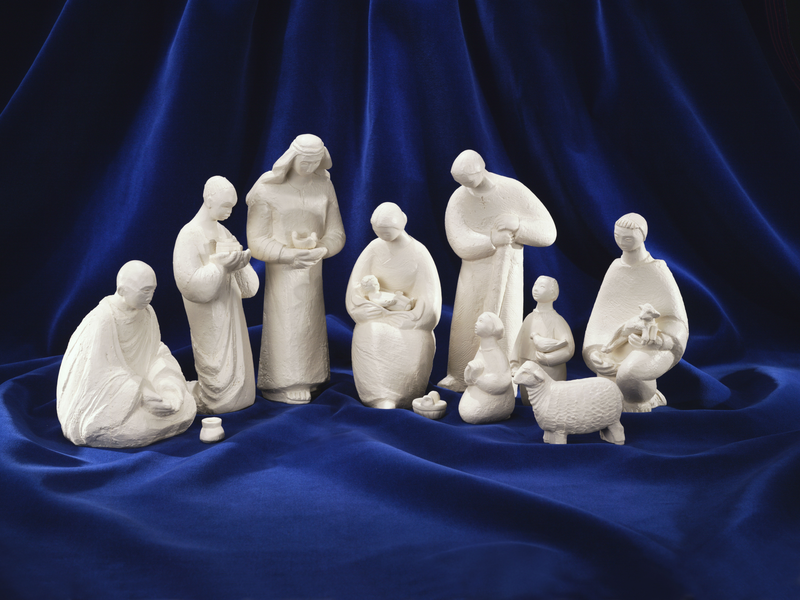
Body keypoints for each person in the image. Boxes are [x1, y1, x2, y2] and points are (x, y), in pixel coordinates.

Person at [438, 150, 557, 392]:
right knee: (466, 321)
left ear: (481, 168)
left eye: (469, 181)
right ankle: (460, 375)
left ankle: (503, 379)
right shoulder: (459, 198)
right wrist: (491, 241)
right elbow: (458, 239)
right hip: (473, 273)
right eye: (461, 183)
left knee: (504, 322)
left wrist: (519, 226)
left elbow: (548, 232)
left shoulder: (512, 190)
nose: (466, 188)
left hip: (507, 272)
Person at [246, 134, 346, 404]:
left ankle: (313, 375)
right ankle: (284, 381)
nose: (311, 166)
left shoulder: (324, 186)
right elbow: (256, 240)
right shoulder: (267, 188)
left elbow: (336, 232)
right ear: (291, 157)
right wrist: (287, 255)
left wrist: (322, 249)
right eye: (305, 160)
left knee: (310, 321)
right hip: (283, 273)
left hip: (312, 269)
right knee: (287, 322)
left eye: (316, 161)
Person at [56, 261, 197, 448]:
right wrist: (140, 392)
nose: (150, 297)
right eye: (145, 291)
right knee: (113, 427)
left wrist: (168, 387)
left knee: (186, 406)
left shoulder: (147, 314)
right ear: (122, 290)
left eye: (153, 291)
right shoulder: (102, 321)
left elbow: (156, 354)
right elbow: (94, 375)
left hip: (143, 390)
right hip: (107, 400)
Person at [583, 213, 689, 412]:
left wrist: (659, 340)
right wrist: (594, 350)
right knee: (605, 382)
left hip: (652, 346)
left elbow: (676, 320)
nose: (622, 242)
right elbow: (601, 317)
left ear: (643, 236)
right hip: (617, 342)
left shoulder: (658, 269)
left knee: (629, 376)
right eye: (617, 236)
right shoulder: (615, 268)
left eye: (628, 238)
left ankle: (647, 397)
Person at [173, 176, 259, 414]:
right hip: (209, 315)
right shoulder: (189, 234)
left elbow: (249, 289)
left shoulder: (225, 233)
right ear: (209, 200)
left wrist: (241, 264)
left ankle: (239, 393)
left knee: (240, 377)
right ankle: (206, 396)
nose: (229, 212)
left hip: (231, 312)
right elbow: (189, 285)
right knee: (218, 385)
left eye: (232, 207)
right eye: (225, 206)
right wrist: (219, 267)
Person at [346, 203, 441, 409]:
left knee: (415, 338)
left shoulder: (419, 252)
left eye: (387, 232)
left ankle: (406, 395)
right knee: (369, 331)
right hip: (376, 316)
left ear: (403, 222)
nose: (383, 237)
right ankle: (378, 397)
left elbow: (430, 300)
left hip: (409, 320)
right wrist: (366, 306)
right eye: (379, 233)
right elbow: (355, 289)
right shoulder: (373, 249)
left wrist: (412, 317)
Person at [510, 276, 574, 405]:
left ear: (553, 294)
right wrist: (514, 363)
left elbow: (569, 348)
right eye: (535, 285)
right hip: (527, 366)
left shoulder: (557, 320)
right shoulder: (529, 318)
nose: (536, 289)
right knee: (528, 401)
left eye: (542, 286)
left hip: (549, 371)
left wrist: (549, 359)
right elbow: (518, 343)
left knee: (549, 402)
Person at [459, 312, 515, 424]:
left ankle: (502, 412)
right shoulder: (481, 351)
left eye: (481, 321)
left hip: (498, 397)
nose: (476, 323)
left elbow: (502, 382)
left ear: (493, 327)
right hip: (480, 390)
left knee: (471, 413)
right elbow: (470, 377)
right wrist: (470, 373)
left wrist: (478, 379)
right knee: (467, 411)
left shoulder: (498, 354)